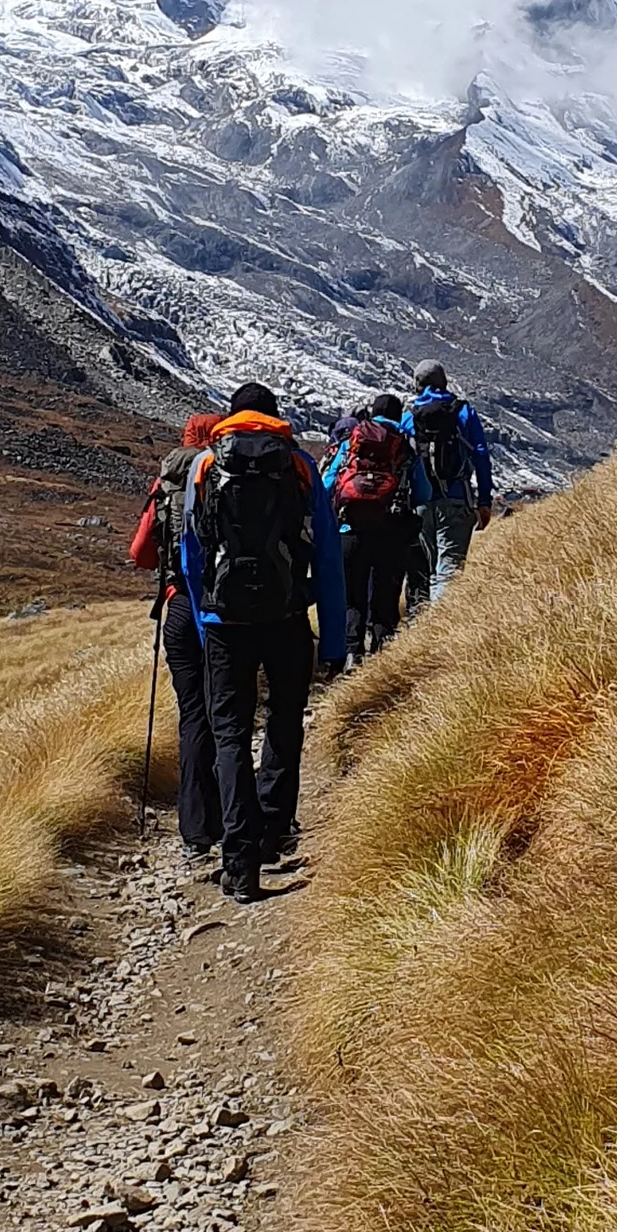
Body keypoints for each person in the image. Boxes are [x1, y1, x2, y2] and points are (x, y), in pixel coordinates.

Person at [187, 383, 347, 903]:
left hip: (224, 622)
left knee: (230, 733)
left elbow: (192, 552)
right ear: (275, 417)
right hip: (287, 616)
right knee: (284, 719)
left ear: (230, 418)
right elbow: (327, 554)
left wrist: (204, 620)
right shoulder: (298, 464)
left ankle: (239, 860)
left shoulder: (206, 466)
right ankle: (274, 829)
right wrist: (335, 641)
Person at [128, 414, 226, 865]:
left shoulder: (166, 481)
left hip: (180, 608)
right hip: (224, 609)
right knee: (226, 713)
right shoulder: (227, 473)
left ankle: (195, 828)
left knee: (192, 716)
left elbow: (141, 554)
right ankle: (231, 816)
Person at [325, 391, 430, 661]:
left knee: (353, 596)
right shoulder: (404, 446)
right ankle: (382, 655)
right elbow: (424, 493)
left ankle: (352, 653)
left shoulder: (352, 442)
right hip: (391, 532)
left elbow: (328, 483)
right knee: (385, 596)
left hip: (351, 530)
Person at [403, 361, 493, 603]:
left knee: (430, 570)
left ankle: (431, 619)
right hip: (456, 498)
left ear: (417, 385)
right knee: (449, 571)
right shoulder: (463, 412)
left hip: (421, 504)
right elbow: (481, 455)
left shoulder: (409, 417)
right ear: (444, 381)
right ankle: (442, 623)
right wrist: (484, 501)